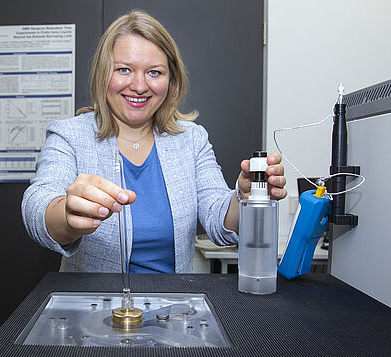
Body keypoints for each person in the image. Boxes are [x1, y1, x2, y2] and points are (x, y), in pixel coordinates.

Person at [21, 10, 287, 273]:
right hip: (95, 306)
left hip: (172, 308)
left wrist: (247, 198)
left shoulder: (191, 139)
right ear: (103, 74)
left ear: (171, 80)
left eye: (154, 73)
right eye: (124, 69)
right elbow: (37, 206)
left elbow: (219, 219)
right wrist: (68, 217)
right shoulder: (70, 136)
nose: (139, 85)